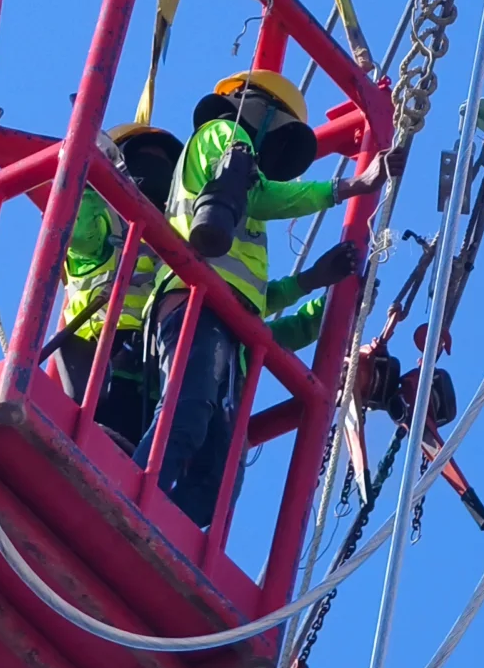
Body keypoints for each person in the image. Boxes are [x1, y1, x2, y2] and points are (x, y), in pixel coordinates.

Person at [140, 69, 389, 526]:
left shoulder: (246, 210)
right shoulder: (223, 137)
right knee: (188, 411)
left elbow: (251, 297)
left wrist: (315, 284)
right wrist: (345, 187)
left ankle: (163, 529)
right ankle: (133, 493)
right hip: (194, 306)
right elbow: (259, 196)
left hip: (226, 325)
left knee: (220, 472)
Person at [52, 123, 181, 451]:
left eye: (164, 165)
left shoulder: (177, 242)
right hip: (102, 357)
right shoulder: (100, 226)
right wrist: (94, 176)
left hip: (153, 366)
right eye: (146, 160)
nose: (156, 171)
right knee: (103, 444)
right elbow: (76, 225)